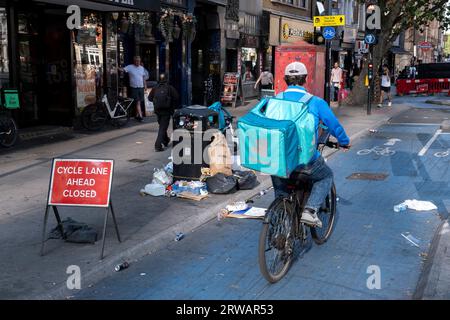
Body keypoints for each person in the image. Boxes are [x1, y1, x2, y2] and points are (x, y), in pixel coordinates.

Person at [271, 62, 351, 227]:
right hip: (305, 160)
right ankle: (310, 210)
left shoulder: (275, 100)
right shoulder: (315, 102)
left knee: (281, 189)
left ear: (285, 79)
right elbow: (333, 125)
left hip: (277, 159)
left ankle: (280, 213)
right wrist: (344, 141)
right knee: (326, 176)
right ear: (305, 79)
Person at [148, 73, 180, 152]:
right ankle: (158, 145)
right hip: (167, 111)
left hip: (158, 111)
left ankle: (165, 140)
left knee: (162, 126)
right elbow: (176, 97)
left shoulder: (155, 88)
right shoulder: (169, 88)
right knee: (163, 127)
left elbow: (149, 98)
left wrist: (157, 101)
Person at [120, 56, 147, 121]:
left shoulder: (142, 68)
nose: (138, 62)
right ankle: (140, 116)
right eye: (136, 61)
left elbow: (143, 78)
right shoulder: (130, 67)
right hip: (134, 88)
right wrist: (116, 67)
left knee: (139, 102)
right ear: (134, 61)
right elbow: (122, 69)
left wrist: (145, 85)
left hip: (141, 87)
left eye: (139, 61)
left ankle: (136, 115)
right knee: (137, 102)